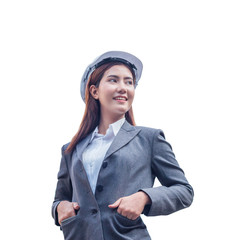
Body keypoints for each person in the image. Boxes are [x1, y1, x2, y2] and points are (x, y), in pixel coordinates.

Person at [51, 51, 194, 240]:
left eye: (129, 82)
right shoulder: (71, 149)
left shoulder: (149, 139)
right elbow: (60, 199)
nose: (123, 88)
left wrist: (144, 198)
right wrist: (59, 208)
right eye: (113, 80)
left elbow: (184, 191)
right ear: (94, 91)